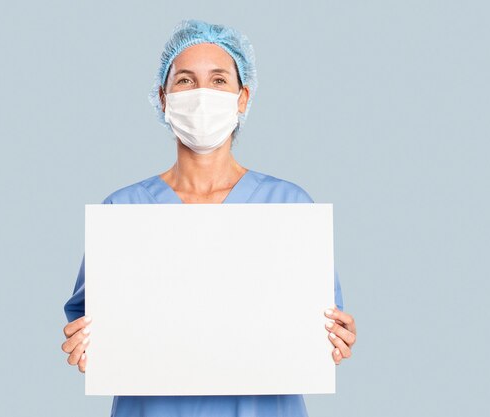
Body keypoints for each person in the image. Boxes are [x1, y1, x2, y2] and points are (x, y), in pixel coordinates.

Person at [61, 19, 357, 417]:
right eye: (185, 81)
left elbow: (319, 324)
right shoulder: (124, 212)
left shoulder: (289, 207)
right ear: (164, 98)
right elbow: (91, 323)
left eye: (218, 80)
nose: (201, 94)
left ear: (242, 97)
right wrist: (85, 343)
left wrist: (335, 338)